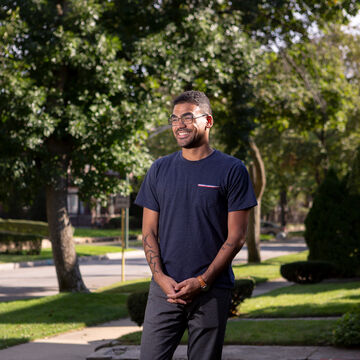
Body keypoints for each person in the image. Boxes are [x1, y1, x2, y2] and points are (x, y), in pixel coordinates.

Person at [135, 90, 257, 360]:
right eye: (175, 118)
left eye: (188, 117)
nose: (179, 124)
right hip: (164, 291)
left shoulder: (232, 170)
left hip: (211, 290)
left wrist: (202, 281)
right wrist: (161, 279)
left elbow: (236, 237)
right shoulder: (158, 169)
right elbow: (148, 232)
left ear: (208, 121)